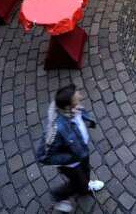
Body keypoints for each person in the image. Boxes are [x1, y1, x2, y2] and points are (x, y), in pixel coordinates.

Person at [35, 84, 106, 212]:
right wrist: (70, 158)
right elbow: (43, 156)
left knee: (85, 172)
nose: (80, 96)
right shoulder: (56, 129)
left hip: (82, 152)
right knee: (76, 183)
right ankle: (59, 196)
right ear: (68, 105)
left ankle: (85, 188)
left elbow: (81, 114)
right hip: (72, 163)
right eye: (76, 97)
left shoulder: (73, 108)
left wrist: (89, 121)